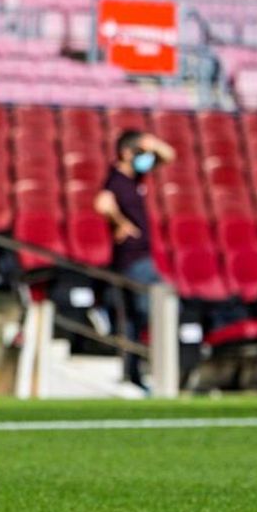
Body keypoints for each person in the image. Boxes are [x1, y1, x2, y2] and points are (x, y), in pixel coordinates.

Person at [94, 130, 176, 390]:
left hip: (141, 256)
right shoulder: (115, 179)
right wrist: (121, 223)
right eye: (141, 152)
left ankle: (134, 373)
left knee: (134, 320)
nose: (147, 158)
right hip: (132, 259)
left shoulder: (136, 177)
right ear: (126, 153)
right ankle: (148, 369)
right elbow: (101, 204)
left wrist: (152, 142)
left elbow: (169, 156)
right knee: (156, 308)